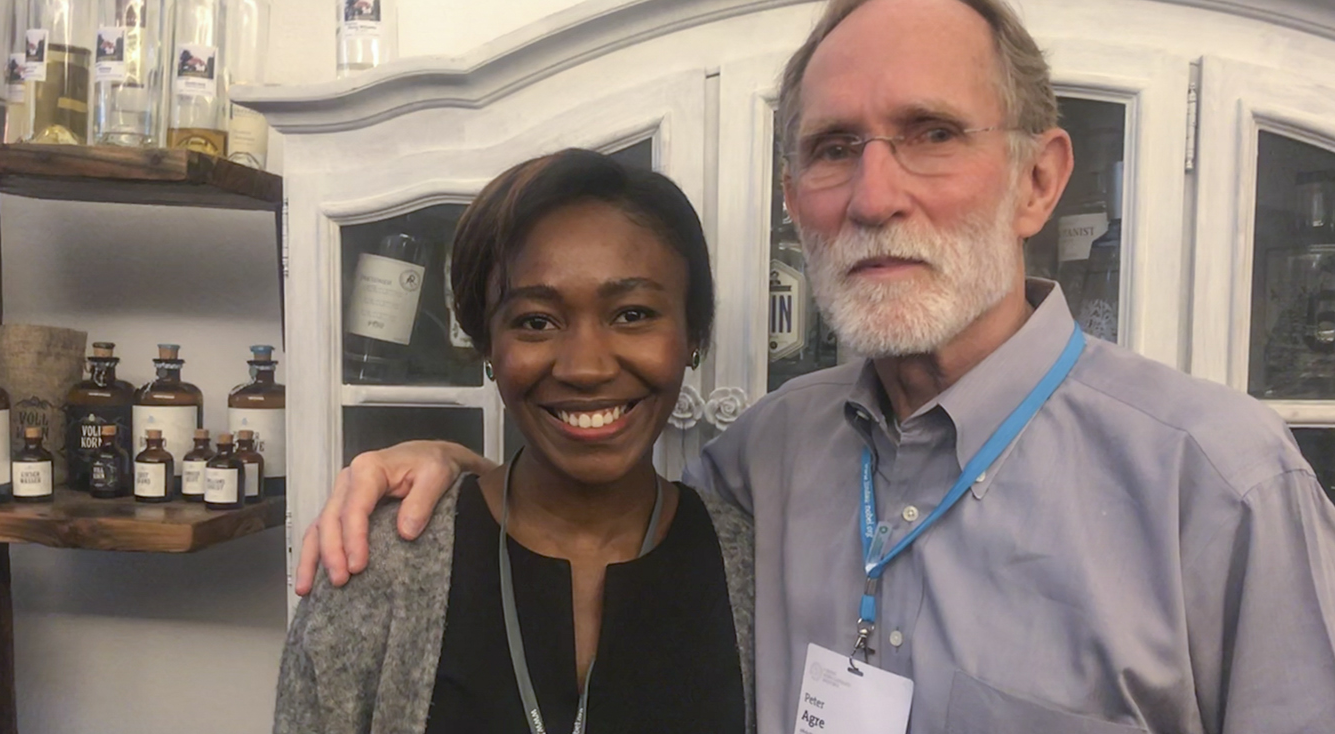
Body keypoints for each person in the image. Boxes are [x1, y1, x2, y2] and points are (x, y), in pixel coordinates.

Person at [296, 0, 1335, 732]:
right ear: (795, 196)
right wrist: (452, 464)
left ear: (1036, 180)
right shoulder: (775, 449)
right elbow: (591, 494)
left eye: (930, 133)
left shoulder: (1218, 484)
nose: (874, 194)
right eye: (834, 148)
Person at [275, 149, 754, 733]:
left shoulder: (755, 569)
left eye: (631, 314)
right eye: (535, 321)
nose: (585, 367)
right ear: (487, 348)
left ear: (693, 334)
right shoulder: (379, 566)